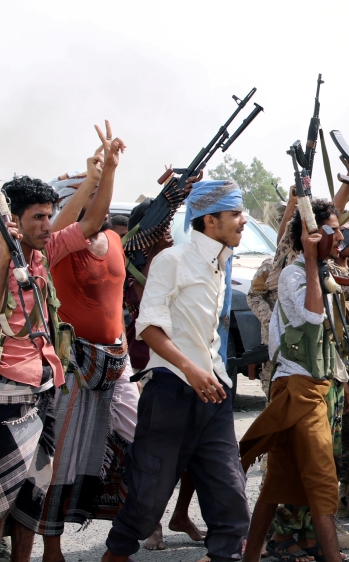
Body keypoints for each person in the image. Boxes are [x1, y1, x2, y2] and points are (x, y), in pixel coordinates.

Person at [102, 179, 251, 562]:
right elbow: (147, 327)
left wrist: (207, 375)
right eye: (235, 213)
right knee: (147, 501)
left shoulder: (220, 263)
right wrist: (189, 369)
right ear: (210, 221)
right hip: (171, 392)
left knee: (231, 505)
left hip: (213, 391)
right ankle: (115, 555)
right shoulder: (172, 260)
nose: (243, 220)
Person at [13, 125, 139, 562]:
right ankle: (48, 548)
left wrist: (109, 172)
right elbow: (79, 222)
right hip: (69, 363)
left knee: (106, 449)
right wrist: (95, 178)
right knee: (54, 460)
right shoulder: (55, 247)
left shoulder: (115, 241)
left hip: (111, 362)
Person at [239, 199, 349, 562]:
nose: (340, 236)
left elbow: (331, 337)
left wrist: (343, 381)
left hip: (318, 385)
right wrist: (311, 258)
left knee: (279, 482)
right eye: (331, 230)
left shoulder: (323, 272)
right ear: (311, 237)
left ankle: (251, 556)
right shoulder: (294, 274)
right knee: (320, 478)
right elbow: (314, 317)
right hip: (297, 388)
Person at [120, 198, 207, 552]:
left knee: (195, 447)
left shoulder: (178, 264)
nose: (169, 235)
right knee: (152, 453)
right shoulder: (128, 272)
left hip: (184, 368)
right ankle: (150, 522)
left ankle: (181, 514)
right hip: (142, 370)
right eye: (161, 229)